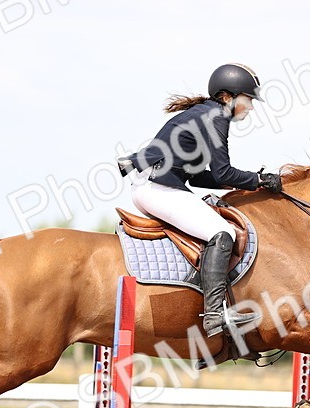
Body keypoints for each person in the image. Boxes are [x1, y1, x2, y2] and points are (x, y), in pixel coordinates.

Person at [120, 63, 283, 338]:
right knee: (223, 232)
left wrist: (254, 182)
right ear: (227, 97)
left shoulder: (204, 114)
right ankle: (214, 315)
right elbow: (224, 172)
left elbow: (199, 178)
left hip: (151, 185)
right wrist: (259, 180)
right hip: (155, 187)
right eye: (248, 99)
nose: (251, 107)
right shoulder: (217, 117)